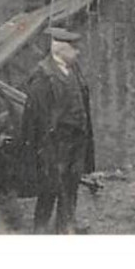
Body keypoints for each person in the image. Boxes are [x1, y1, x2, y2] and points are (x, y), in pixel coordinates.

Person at [20, 26, 95, 234]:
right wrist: (44, 150)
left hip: (76, 142)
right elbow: (38, 120)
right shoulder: (43, 76)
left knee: (71, 186)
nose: (78, 52)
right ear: (61, 50)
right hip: (54, 145)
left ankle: (65, 227)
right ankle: (40, 230)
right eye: (74, 49)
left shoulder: (73, 69)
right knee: (50, 189)